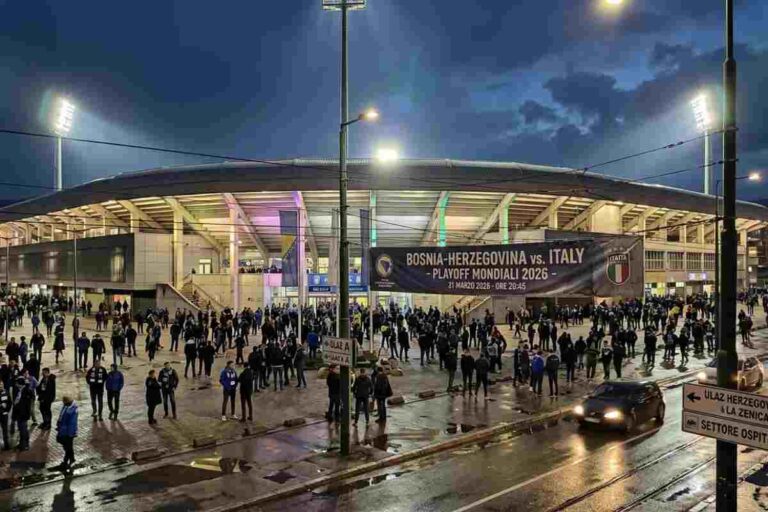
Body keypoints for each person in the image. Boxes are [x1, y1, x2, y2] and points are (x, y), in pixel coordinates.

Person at [53, 396, 78, 473]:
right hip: (63, 430)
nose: (63, 402)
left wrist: (70, 434)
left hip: (68, 432)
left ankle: (67, 461)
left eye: (64, 401)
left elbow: (72, 423)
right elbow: (61, 416)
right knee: (68, 447)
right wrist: (59, 425)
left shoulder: (72, 410)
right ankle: (71, 459)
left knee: (68, 447)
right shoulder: (66, 406)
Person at [12, 376, 34, 450]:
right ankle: (21, 443)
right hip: (19, 414)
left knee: (23, 430)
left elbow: (32, 395)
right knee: (21, 429)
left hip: (23, 414)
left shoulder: (26, 390)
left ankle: (25, 445)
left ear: (20, 384)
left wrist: (27, 385)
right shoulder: (19, 390)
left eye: (17, 383)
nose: (16, 384)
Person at [0, 381, 10, 450]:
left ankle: (6, 445)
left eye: (2, 385)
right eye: (0, 385)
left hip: (4, 414)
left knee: (5, 430)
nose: (1, 386)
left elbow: (10, 402)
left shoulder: (6, 392)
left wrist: (7, 410)